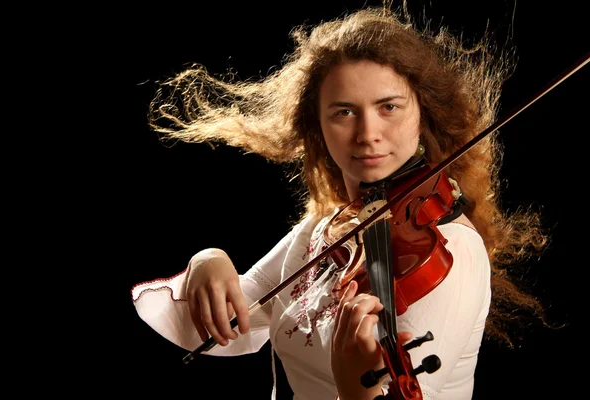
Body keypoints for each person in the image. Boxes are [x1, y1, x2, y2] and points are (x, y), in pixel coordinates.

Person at [130, 3, 550, 399]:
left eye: (389, 107)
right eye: (344, 112)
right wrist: (209, 259)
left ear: (424, 114)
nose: (368, 132)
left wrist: (355, 392)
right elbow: (243, 308)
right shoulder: (329, 227)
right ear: (318, 124)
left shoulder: (451, 251)